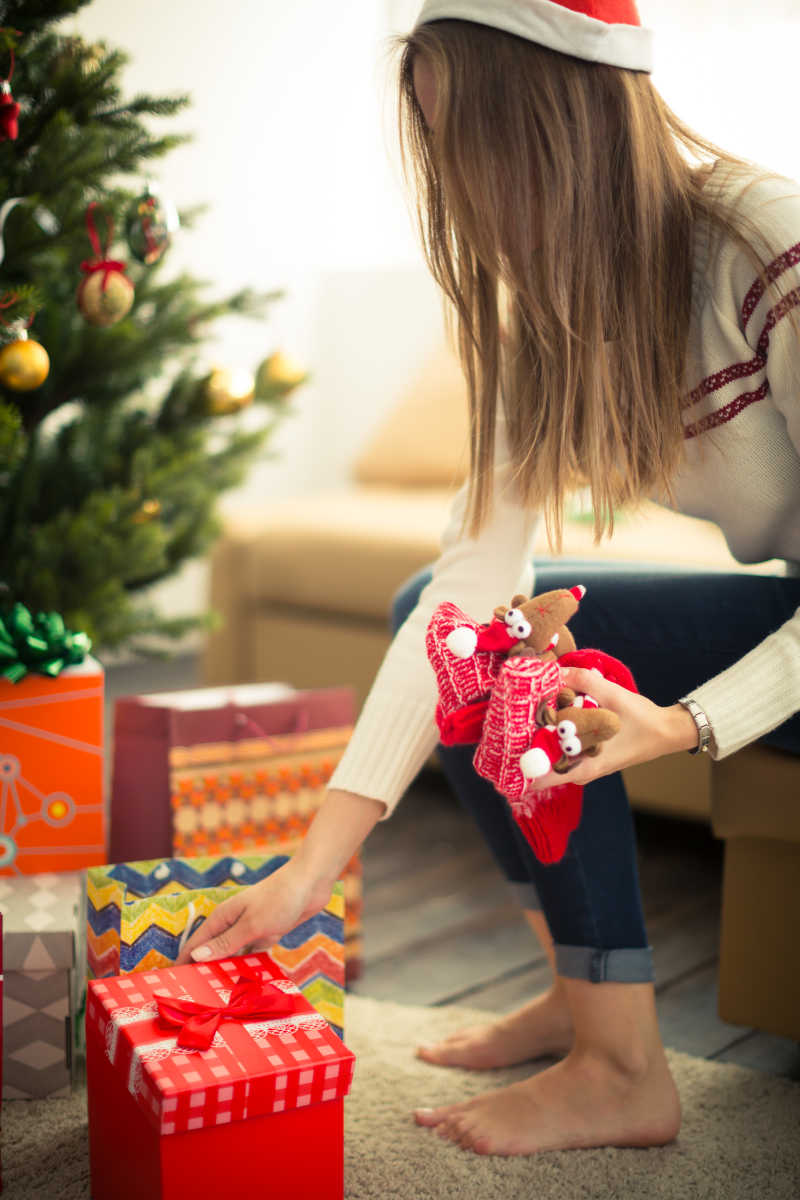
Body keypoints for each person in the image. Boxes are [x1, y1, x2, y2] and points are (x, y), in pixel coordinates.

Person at [180, 0, 800, 1157]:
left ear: (565, 117)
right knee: (458, 630)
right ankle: (590, 1009)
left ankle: (619, 1071)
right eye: (439, 150)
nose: (462, 189)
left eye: (480, 144)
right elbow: (466, 590)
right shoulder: (549, 305)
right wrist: (314, 865)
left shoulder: (767, 243)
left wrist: (681, 722)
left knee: (511, 651)